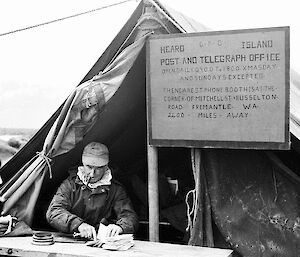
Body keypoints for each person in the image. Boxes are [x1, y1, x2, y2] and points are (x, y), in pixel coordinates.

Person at [46, 142, 138, 240]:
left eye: (99, 168)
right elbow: (54, 212)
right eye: (89, 167)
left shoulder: (116, 189)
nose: (92, 174)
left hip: (102, 241)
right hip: (72, 239)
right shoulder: (70, 185)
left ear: (106, 166)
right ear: (83, 164)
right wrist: (79, 225)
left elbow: (129, 216)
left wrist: (120, 227)